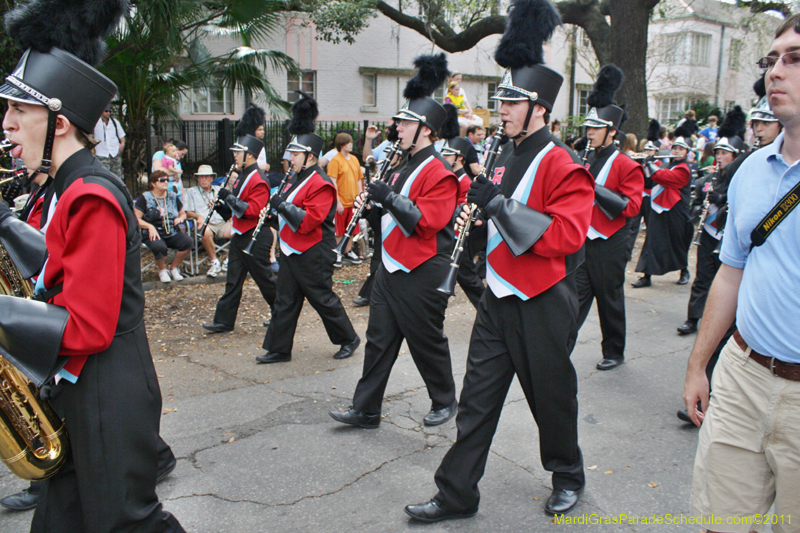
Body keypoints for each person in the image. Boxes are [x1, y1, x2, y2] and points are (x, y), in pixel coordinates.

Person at [404, 0, 594, 521]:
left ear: (541, 110)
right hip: (497, 298)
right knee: (477, 403)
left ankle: (568, 474)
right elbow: (499, 217)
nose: (502, 109)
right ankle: (457, 493)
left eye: (513, 102)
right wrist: (481, 211)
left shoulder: (565, 162)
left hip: (543, 303)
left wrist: (496, 205)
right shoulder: (502, 153)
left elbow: (567, 235)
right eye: (502, 100)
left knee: (551, 398)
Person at [0, 1, 184, 530]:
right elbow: (58, 267)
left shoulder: (90, 194)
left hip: (107, 390)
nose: (7, 124)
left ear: (59, 122)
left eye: (19, 111)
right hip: (84, 386)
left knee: (129, 524)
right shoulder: (68, 185)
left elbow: (88, 325)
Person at [683, 15, 800, 531]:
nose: (775, 71)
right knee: (720, 523)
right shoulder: (751, 170)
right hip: (742, 375)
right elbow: (729, 274)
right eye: (771, 60)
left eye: (794, 59)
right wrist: (698, 365)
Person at [329, 53, 460, 429]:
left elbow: (425, 222)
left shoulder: (441, 172)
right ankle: (366, 408)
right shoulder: (401, 166)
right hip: (391, 266)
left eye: (405, 123)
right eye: (399, 121)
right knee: (379, 339)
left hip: (423, 268)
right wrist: (370, 209)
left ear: (428, 132)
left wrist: (387, 197)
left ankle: (445, 399)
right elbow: (392, 216)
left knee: (425, 340)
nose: (396, 128)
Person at [258, 92, 360, 364]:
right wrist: (272, 214)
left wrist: (282, 206)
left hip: (314, 251)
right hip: (292, 250)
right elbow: (287, 210)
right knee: (285, 301)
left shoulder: (322, 183)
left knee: (322, 299)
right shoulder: (295, 178)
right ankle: (279, 349)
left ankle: (349, 338)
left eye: (296, 154)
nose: (290, 158)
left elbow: (309, 220)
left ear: (310, 157)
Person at [577, 65, 645, 372]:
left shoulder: (626, 164)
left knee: (610, 299)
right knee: (574, 298)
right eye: (588, 127)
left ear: (611, 131)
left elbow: (631, 207)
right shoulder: (587, 157)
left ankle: (614, 351)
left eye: (595, 128)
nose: (589, 132)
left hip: (610, 242)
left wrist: (594, 188)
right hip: (582, 240)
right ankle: (560, 343)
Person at [203, 134, 277, 333]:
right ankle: (224, 321)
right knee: (233, 280)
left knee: (265, 280)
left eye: (238, 152)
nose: (235, 156)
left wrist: (228, 197)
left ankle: (282, 313)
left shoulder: (259, 179)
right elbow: (235, 211)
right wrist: (221, 206)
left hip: (256, 236)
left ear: (250, 155)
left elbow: (252, 211)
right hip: (241, 235)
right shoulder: (242, 176)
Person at [632, 136, 693, 288]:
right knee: (652, 241)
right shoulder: (665, 165)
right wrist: (640, 164)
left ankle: (684, 271)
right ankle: (646, 276)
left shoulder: (684, 169)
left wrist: (651, 164)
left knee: (677, 242)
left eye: (681, 149)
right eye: (675, 148)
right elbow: (648, 182)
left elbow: (664, 178)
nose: (677, 151)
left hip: (677, 211)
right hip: (658, 209)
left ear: (686, 152)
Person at [135, 170, 194, 283]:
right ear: (153, 183)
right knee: (159, 246)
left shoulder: (172, 196)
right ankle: (162, 270)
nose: (166, 182)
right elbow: (135, 218)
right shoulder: (145, 198)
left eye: (167, 180)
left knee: (188, 242)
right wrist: (149, 226)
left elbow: (183, 213)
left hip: (171, 231)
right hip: (153, 233)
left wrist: (180, 218)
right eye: (162, 180)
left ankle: (173, 268)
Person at [184, 164, 232, 278]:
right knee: (204, 231)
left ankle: (229, 260)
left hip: (222, 222)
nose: (204, 179)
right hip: (205, 223)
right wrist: (198, 217)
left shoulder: (219, 190)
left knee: (240, 230)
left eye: (206, 176)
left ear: (211, 178)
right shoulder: (191, 192)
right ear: (198, 179)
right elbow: (187, 212)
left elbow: (229, 207)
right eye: (201, 177)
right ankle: (214, 261)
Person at [327, 132, 364, 266]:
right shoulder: (335, 161)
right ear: (342, 145)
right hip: (342, 201)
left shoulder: (354, 159)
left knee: (352, 229)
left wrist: (360, 197)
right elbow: (333, 182)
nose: (351, 145)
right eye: (348, 143)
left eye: (351, 143)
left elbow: (359, 179)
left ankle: (348, 251)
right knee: (339, 230)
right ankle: (337, 252)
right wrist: (338, 201)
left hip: (353, 201)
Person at [235, 103, 270, 172]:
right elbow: (238, 167)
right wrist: (260, 167)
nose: (263, 132)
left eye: (263, 129)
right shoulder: (243, 143)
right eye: (260, 130)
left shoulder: (259, 144)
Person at [93, 104, 125, 177]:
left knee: (117, 175)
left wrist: (122, 144)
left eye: (109, 111)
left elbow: (121, 135)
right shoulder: (96, 123)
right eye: (106, 111)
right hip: (101, 153)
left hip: (114, 152)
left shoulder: (114, 122)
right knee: (104, 175)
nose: (108, 113)